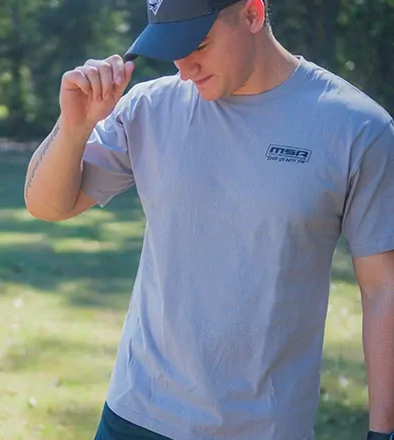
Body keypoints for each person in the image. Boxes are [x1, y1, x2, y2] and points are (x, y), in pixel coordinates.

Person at [24, 0, 394, 438]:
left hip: (263, 429)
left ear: (253, 14)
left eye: (198, 45)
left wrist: (383, 430)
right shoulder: (149, 108)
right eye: (173, 50)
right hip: (135, 416)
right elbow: (47, 205)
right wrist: (74, 127)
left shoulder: (357, 128)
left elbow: (382, 289)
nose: (185, 69)